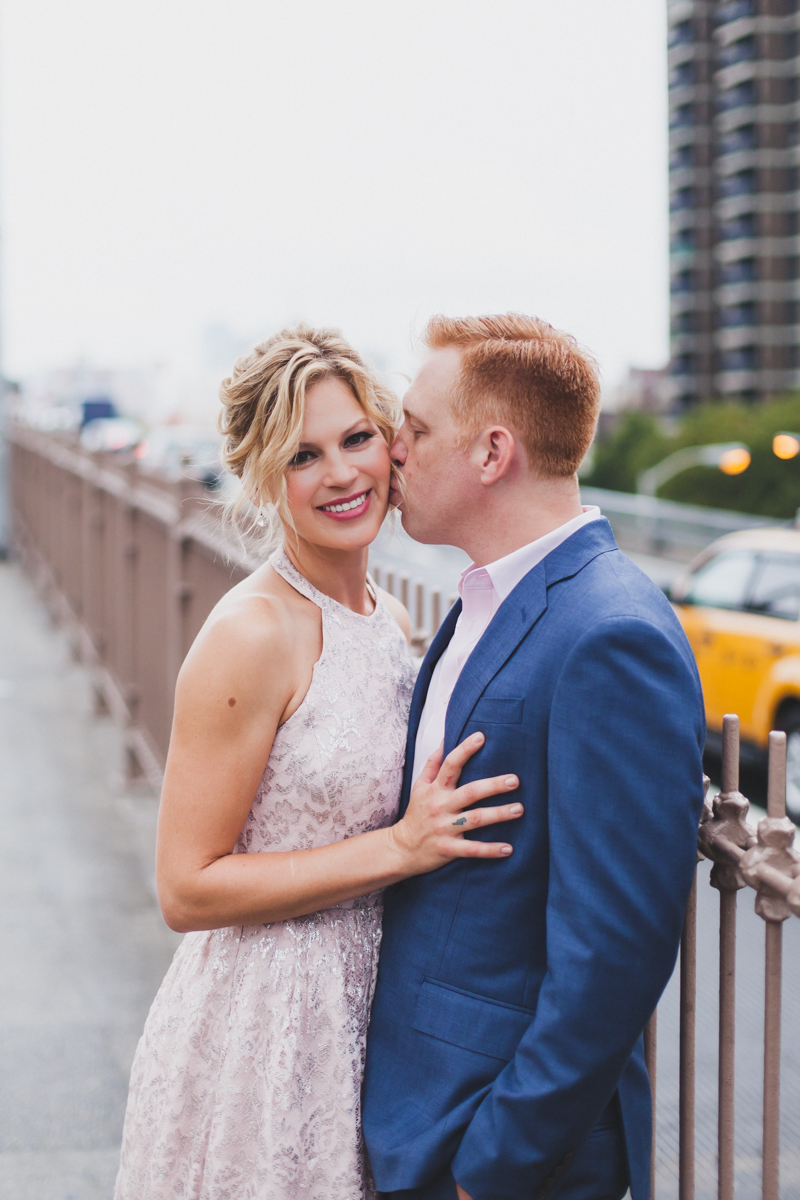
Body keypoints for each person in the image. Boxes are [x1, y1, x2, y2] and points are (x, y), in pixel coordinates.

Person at [113, 325, 523, 1200]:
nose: (341, 474)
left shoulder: (391, 619)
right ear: (265, 479)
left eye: (356, 439)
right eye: (303, 456)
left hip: (370, 1012)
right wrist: (401, 850)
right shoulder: (250, 634)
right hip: (267, 1026)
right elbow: (187, 889)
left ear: (390, 443)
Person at [363, 314, 706, 1200]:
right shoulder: (483, 600)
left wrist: (494, 1167)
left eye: (418, 429)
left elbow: (616, 949)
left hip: (496, 1144)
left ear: (492, 453)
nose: (393, 450)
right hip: (419, 1113)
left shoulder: (612, 633)